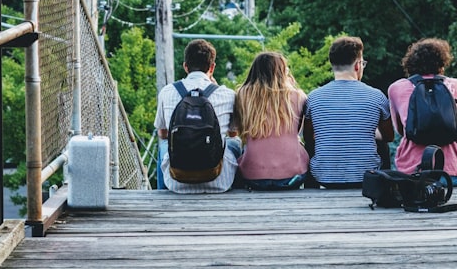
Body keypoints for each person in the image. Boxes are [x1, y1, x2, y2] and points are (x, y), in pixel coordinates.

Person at [304, 36, 394, 188]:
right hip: (366, 178)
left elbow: (308, 137)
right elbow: (389, 136)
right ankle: (383, 187)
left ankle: (311, 189)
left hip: (324, 178)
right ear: (358, 65)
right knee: (382, 145)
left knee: (312, 145)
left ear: (332, 64)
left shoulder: (313, 97)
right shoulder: (376, 96)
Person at [154, 39, 240, 193]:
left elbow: (162, 133)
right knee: (235, 143)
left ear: (185, 66)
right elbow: (233, 133)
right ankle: (239, 190)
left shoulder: (167, 92)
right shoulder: (227, 95)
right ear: (212, 67)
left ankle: (162, 192)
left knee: (163, 146)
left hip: (176, 183)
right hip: (219, 181)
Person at [388, 38, 457, 185]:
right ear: (442, 62)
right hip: (453, 174)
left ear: (410, 62)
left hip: (412, 173)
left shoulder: (396, 88)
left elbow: (401, 130)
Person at [234, 52, 309, 190]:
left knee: (234, 145)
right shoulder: (298, 96)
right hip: (292, 177)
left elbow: (236, 131)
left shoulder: (242, 96)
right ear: (282, 73)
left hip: (252, 178)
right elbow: (298, 131)